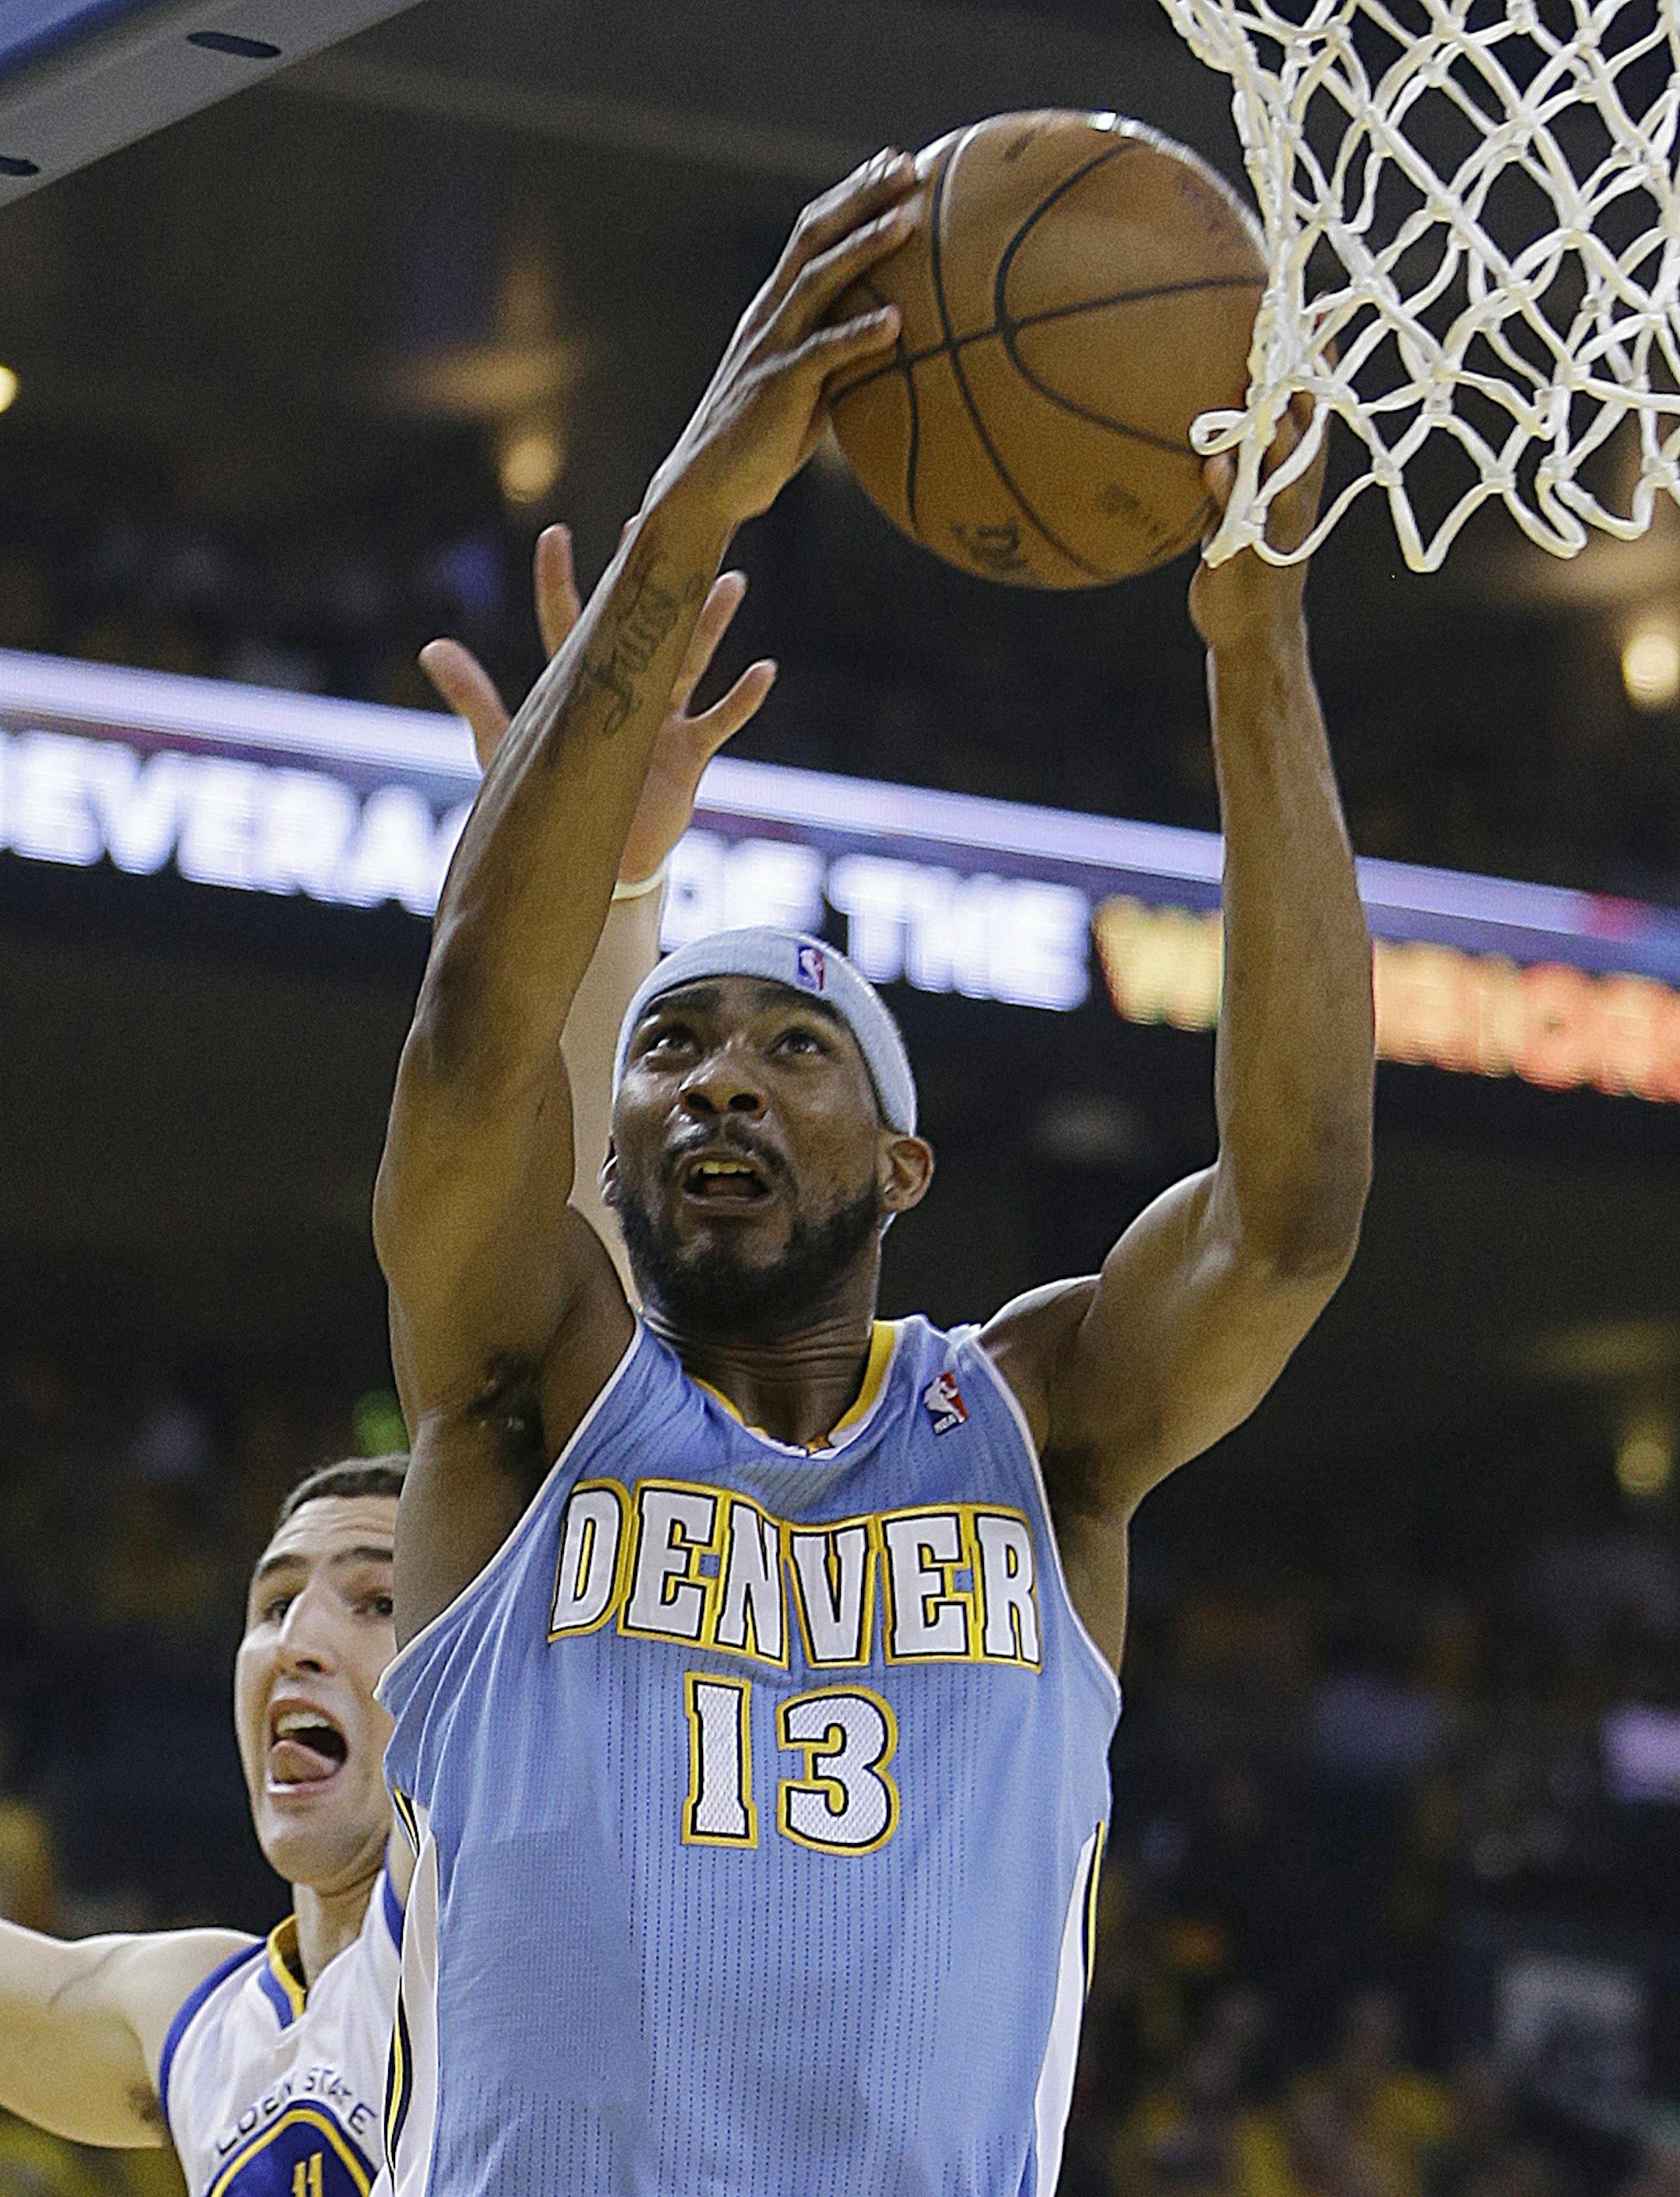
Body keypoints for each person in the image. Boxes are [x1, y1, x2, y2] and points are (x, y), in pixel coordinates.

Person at [373, 146, 1377, 2197]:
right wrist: (685, 528)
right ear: (618, 1137)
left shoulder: (1035, 1424)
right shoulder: (526, 1393)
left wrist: (1254, 640)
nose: (718, 1082)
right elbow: (477, 1042)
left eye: (793, 1053)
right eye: (668, 1048)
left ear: (904, 1162)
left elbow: (1292, 1220)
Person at [0, 528, 766, 2196]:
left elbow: (575, 1293)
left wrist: (604, 888)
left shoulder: (503, 1866)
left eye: (368, 1591)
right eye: (277, 1598)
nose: (297, 1635)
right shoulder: (199, 2015)